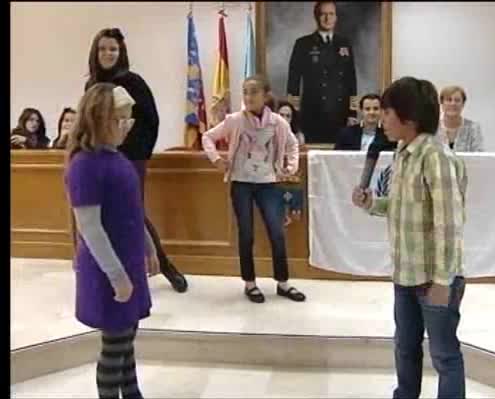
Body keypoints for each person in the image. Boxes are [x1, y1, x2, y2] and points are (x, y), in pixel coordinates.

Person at [354, 77, 468, 399]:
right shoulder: (403, 150)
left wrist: (443, 281)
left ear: (409, 117)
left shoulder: (436, 157)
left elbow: (450, 223)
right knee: (405, 347)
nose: (380, 119)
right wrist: (371, 204)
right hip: (405, 274)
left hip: (435, 278)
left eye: (387, 111)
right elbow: (401, 205)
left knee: (444, 355)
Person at [65, 83, 158, 399]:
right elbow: (90, 229)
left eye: (129, 120)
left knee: (127, 337)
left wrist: (149, 245)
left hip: (128, 260)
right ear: (98, 119)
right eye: (120, 120)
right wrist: (117, 276)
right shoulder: (85, 166)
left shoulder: (117, 158)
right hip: (108, 269)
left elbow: (133, 209)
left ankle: (132, 393)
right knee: (114, 345)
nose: (126, 128)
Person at [85, 27, 188, 293]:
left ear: (121, 53)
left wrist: (134, 153)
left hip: (129, 159)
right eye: (103, 48)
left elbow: (150, 122)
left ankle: (164, 265)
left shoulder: (133, 82)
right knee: (105, 215)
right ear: (95, 52)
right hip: (99, 161)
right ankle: (114, 271)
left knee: (134, 213)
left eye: (113, 49)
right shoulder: (91, 85)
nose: (108, 53)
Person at [202, 74, 306, 304]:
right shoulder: (235, 120)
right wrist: (217, 160)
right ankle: (250, 283)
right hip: (241, 184)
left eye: (254, 92)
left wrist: (291, 166)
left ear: (266, 95)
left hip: (267, 183)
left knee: (277, 232)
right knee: (246, 233)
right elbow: (207, 137)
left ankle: (283, 283)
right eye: (245, 92)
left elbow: (292, 144)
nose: (248, 97)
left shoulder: (278, 122)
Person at [287, 1, 357, 144]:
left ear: (336, 17)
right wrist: (294, 115)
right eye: (323, 14)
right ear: (316, 17)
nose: (327, 18)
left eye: (331, 14)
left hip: (340, 114)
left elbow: (351, 79)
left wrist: (352, 112)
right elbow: (293, 81)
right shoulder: (303, 44)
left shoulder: (344, 43)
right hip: (313, 113)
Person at [436, 85, 484, 151]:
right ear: (441, 103)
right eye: (449, 100)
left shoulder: (473, 128)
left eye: (457, 100)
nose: (453, 103)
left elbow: (479, 156)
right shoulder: (434, 128)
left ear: (463, 104)